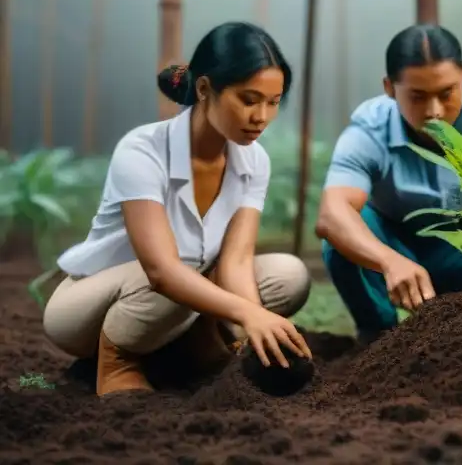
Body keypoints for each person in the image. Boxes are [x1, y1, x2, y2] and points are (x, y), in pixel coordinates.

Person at [43, 22, 313, 396]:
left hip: (172, 299)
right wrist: (250, 314)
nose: (261, 117)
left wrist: (250, 334)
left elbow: (235, 262)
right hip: (90, 308)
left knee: (288, 275)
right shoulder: (142, 151)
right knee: (179, 272)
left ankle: (195, 346)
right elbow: (161, 271)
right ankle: (117, 360)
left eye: (273, 101)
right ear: (204, 89)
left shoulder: (254, 160)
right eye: (249, 100)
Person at [315, 24, 462, 343]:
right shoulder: (370, 129)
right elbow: (330, 214)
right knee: (348, 228)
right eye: (417, 97)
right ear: (390, 88)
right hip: (390, 238)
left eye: (447, 93)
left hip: (459, 246)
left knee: (455, 338)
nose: (434, 111)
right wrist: (389, 261)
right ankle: (379, 337)